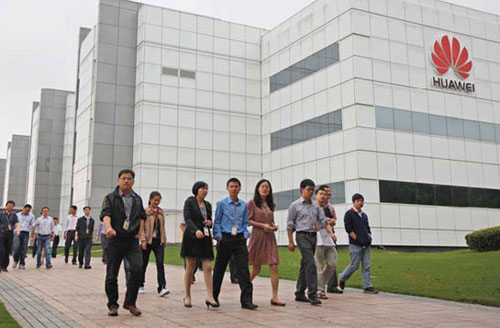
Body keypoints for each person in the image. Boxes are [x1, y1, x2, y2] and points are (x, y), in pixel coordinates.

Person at [101, 169, 146, 317]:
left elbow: (141, 217)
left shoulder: (137, 199)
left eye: (129, 179)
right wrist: (109, 228)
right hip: (115, 240)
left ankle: (130, 302)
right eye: (123, 178)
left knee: (138, 269)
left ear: (133, 181)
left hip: (132, 241)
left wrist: (141, 232)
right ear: (118, 180)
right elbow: (106, 215)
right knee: (112, 274)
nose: (126, 181)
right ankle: (113, 304)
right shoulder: (110, 198)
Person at [287, 179, 335, 306]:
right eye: (308, 189)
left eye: (312, 190)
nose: (310, 192)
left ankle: (299, 292)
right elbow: (290, 225)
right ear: (302, 190)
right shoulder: (295, 205)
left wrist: (330, 223)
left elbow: (323, 221)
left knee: (305, 265)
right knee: (311, 263)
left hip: (313, 236)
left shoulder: (315, 206)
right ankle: (313, 294)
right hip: (301, 235)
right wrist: (290, 242)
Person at [213, 178, 257, 310]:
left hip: (239, 239)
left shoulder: (243, 205)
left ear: (240, 188)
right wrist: (218, 236)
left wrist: (245, 234)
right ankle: (213, 297)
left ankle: (247, 300)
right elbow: (218, 221)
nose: (234, 189)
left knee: (243, 269)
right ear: (227, 189)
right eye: (231, 186)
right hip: (225, 238)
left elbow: (245, 222)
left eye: (236, 186)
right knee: (219, 269)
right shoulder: (221, 204)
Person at [181, 181, 218, 309]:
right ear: (196, 189)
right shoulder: (190, 202)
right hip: (191, 237)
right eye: (202, 188)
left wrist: (209, 222)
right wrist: (195, 230)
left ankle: (210, 296)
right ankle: (187, 295)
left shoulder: (208, 205)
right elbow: (187, 218)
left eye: (207, 189)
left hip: (205, 237)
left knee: (207, 266)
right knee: (190, 267)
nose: (205, 191)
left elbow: (210, 219)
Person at [248, 179, 285, 306]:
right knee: (256, 268)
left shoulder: (271, 205)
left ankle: (275, 296)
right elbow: (248, 221)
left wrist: (273, 226)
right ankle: (245, 289)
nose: (265, 189)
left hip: (269, 237)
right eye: (262, 186)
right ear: (258, 189)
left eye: (267, 187)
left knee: (274, 265)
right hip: (258, 236)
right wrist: (262, 225)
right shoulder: (252, 203)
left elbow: (271, 220)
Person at [338, 193, 378, 294]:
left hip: (366, 244)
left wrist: (369, 236)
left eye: (361, 201)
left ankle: (367, 286)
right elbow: (349, 229)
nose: (360, 203)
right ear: (354, 202)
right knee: (354, 265)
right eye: (358, 201)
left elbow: (367, 228)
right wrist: (357, 239)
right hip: (355, 245)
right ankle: (342, 278)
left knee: (366, 266)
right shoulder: (349, 214)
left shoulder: (364, 215)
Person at [139, 191, 169, 297]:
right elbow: (141, 227)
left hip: (158, 241)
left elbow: (162, 227)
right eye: (155, 200)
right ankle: (140, 284)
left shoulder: (161, 212)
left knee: (160, 263)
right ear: (150, 200)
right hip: (147, 241)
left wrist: (164, 239)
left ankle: (162, 287)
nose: (156, 202)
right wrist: (142, 240)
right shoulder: (145, 212)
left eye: (158, 200)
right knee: (143, 263)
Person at [313, 186, 338, 300]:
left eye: (325, 194)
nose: (323, 196)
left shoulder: (327, 208)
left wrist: (332, 233)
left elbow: (330, 222)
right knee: (318, 265)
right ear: (316, 195)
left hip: (328, 238)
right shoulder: (312, 207)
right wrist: (328, 221)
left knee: (332, 264)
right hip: (317, 238)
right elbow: (316, 222)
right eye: (321, 194)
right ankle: (320, 290)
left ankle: (320, 284)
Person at [324, 186, 343, 294]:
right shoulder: (316, 206)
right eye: (327, 192)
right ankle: (317, 285)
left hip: (331, 236)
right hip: (319, 237)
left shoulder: (330, 207)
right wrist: (327, 220)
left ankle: (332, 285)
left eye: (330, 192)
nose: (329, 194)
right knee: (316, 263)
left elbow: (334, 221)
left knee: (332, 261)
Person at [13, 204, 36, 269]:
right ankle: (15, 260)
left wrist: (32, 236)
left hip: (26, 233)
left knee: (24, 248)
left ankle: (22, 263)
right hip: (18, 232)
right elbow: (14, 223)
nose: (27, 212)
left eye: (28, 211)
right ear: (23, 209)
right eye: (26, 210)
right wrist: (16, 230)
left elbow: (33, 226)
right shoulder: (17, 215)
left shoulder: (32, 216)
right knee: (16, 247)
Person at [180, 218, 202, 283]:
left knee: (198, 260)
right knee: (188, 259)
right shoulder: (188, 216)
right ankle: (190, 276)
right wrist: (187, 234)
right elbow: (182, 225)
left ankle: (192, 273)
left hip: (198, 239)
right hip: (189, 240)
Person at [0, 200, 19, 272]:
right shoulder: (1, 214)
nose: (10, 207)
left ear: (13, 207)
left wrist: (18, 230)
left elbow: (17, 223)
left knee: (7, 250)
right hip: (1, 233)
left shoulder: (14, 215)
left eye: (11, 206)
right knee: (1, 250)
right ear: (6, 206)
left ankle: (4, 266)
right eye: (9, 206)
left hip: (10, 234)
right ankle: (0, 266)